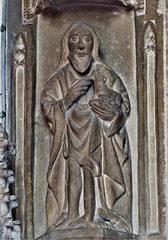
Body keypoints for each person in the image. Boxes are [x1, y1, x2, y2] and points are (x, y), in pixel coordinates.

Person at [41, 21, 131, 231]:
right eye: (75, 39)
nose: (81, 45)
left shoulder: (103, 73)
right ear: (67, 47)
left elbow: (123, 103)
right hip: (70, 132)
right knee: (73, 169)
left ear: (94, 46)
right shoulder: (60, 77)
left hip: (96, 133)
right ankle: (73, 215)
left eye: (86, 40)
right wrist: (67, 99)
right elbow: (47, 104)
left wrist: (109, 103)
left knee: (91, 169)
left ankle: (93, 214)